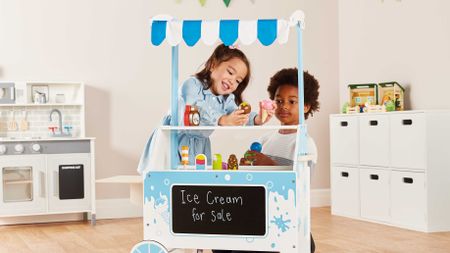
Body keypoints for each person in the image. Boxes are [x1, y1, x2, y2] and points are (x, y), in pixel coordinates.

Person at [226, 68, 320, 253]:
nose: (284, 106)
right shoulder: (266, 138)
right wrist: (247, 164)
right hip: (260, 208)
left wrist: (267, 163)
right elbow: (252, 170)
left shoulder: (304, 143)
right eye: (279, 101)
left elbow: (297, 182)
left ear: (307, 106)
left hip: (283, 213)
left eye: (292, 101)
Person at [177, 44, 275, 164]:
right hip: (177, 140)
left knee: (198, 178)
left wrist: (258, 119)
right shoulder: (192, 85)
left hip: (200, 146)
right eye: (230, 72)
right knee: (175, 176)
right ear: (213, 65)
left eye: (238, 81)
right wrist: (222, 119)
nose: (232, 81)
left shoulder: (226, 99)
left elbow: (236, 115)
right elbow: (195, 112)